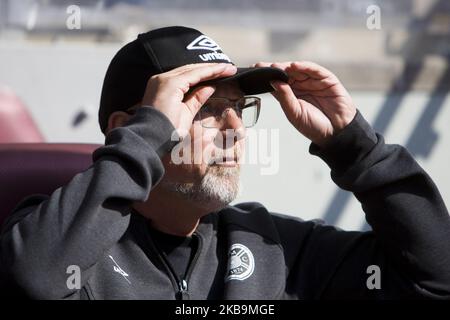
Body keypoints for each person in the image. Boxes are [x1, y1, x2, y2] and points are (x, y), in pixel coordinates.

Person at [1, 26, 450, 300]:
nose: (236, 126)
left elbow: (435, 280)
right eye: (206, 107)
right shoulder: (63, 243)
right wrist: (143, 139)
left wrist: (357, 147)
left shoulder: (274, 249)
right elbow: (31, 283)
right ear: (133, 126)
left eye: (240, 106)